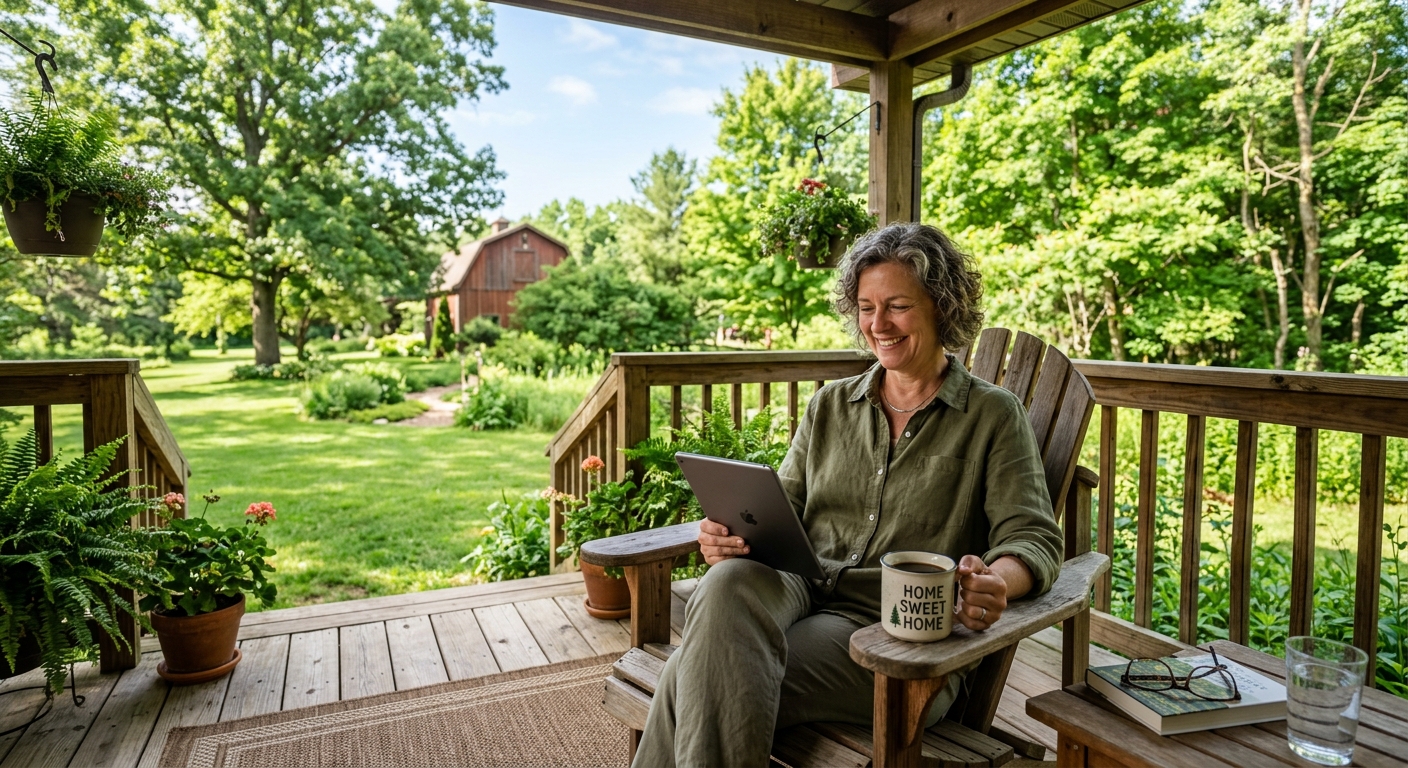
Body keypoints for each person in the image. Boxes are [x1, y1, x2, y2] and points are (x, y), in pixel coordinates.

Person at [632, 222, 1064, 768]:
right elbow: (779, 504)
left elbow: (1032, 535)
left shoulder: (992, 415)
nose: (878, 324)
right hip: (799, 587)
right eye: (865, 307)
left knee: (698, 669)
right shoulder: (830, 405)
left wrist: (995, 581)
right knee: (727, 580)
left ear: (942, 306)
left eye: (898, 306)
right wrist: (730, 534)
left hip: (890, 631)